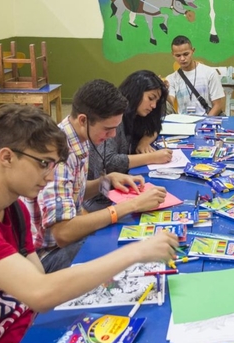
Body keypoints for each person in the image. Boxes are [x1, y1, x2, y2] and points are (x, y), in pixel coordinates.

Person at [0, 104, 179, 343]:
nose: (50, 176)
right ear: (6, 157)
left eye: (54, 164)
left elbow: (37, 284)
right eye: (44, 163)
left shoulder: (15, 210)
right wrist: (135, 252)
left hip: (23, 335)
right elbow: (40, 293)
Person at [23, 79, 169, 273]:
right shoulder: (60, 154)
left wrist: (105, 182)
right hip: (47, 255)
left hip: (60, 243)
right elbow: (63, 233)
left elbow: (73, 193)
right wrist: (132, 205)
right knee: (126, 253)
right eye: (108, 129)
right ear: (83, 120)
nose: (112, 135)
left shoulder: (78, 137)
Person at [85, 70, 173, 212]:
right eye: (151, 98)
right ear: (136, 93)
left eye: (156, 101)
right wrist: (152, 157)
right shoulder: (116, 118)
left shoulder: (138, 113)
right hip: (101, 197)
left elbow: (155, 126)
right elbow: (109, 162)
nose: (154, 105)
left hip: (118, 186)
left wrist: (145, 141)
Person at [166, 35, 225, 116]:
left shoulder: (210, 73)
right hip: (183, 123)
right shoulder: (171, 79)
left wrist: (205, 123)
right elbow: (171, 104)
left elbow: (218, 105)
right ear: (173, 55)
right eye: (178, 55)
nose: (182, 59)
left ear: (193, 51)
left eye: (186, 54)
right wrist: (163, 91)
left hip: (205, 121)